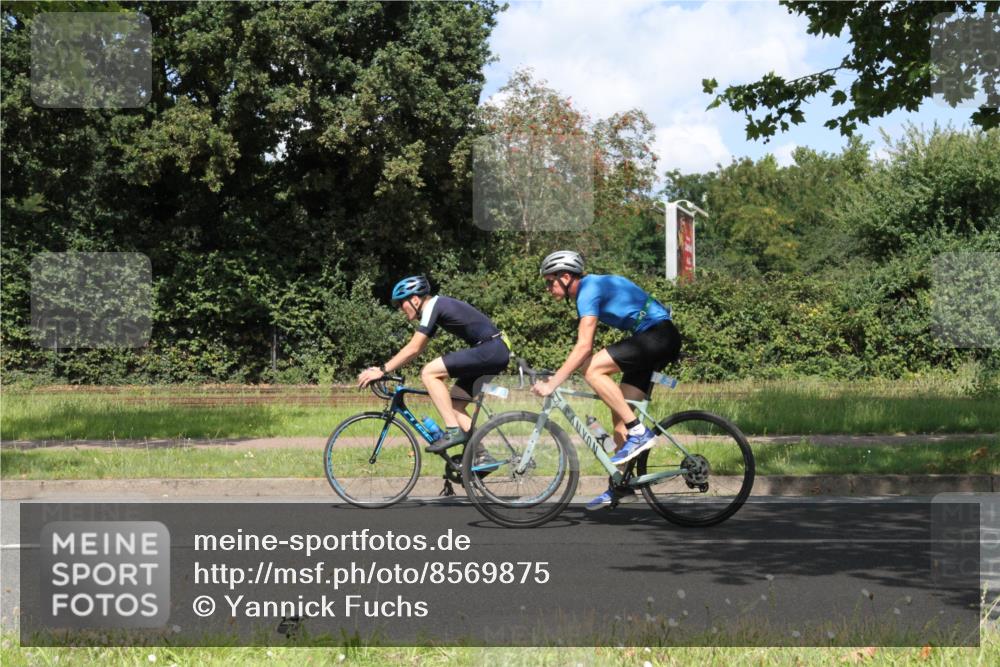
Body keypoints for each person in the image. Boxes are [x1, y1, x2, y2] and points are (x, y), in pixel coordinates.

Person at [532, 250, 681, 510]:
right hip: (654, 338)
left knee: (592, 370)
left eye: (550, 281)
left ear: (566, 277)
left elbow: (583, 348)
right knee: (620, 411)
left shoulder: (588, 290)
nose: (548, 287)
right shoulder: (593, 287)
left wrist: (553, 383)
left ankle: (639, 432)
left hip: (657, 336)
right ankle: (621, 485)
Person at [357, 275, 510, 452]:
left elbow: (413, 348)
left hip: (491, 349)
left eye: (401, 304)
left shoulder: (434, 306)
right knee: (454, 405)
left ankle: (453, 431)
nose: (400, 309)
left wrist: (382, 370)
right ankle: (481, 455)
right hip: (493, 350)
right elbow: (418, 348)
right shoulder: (437, 308)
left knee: (429, 372)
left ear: (415, 299)